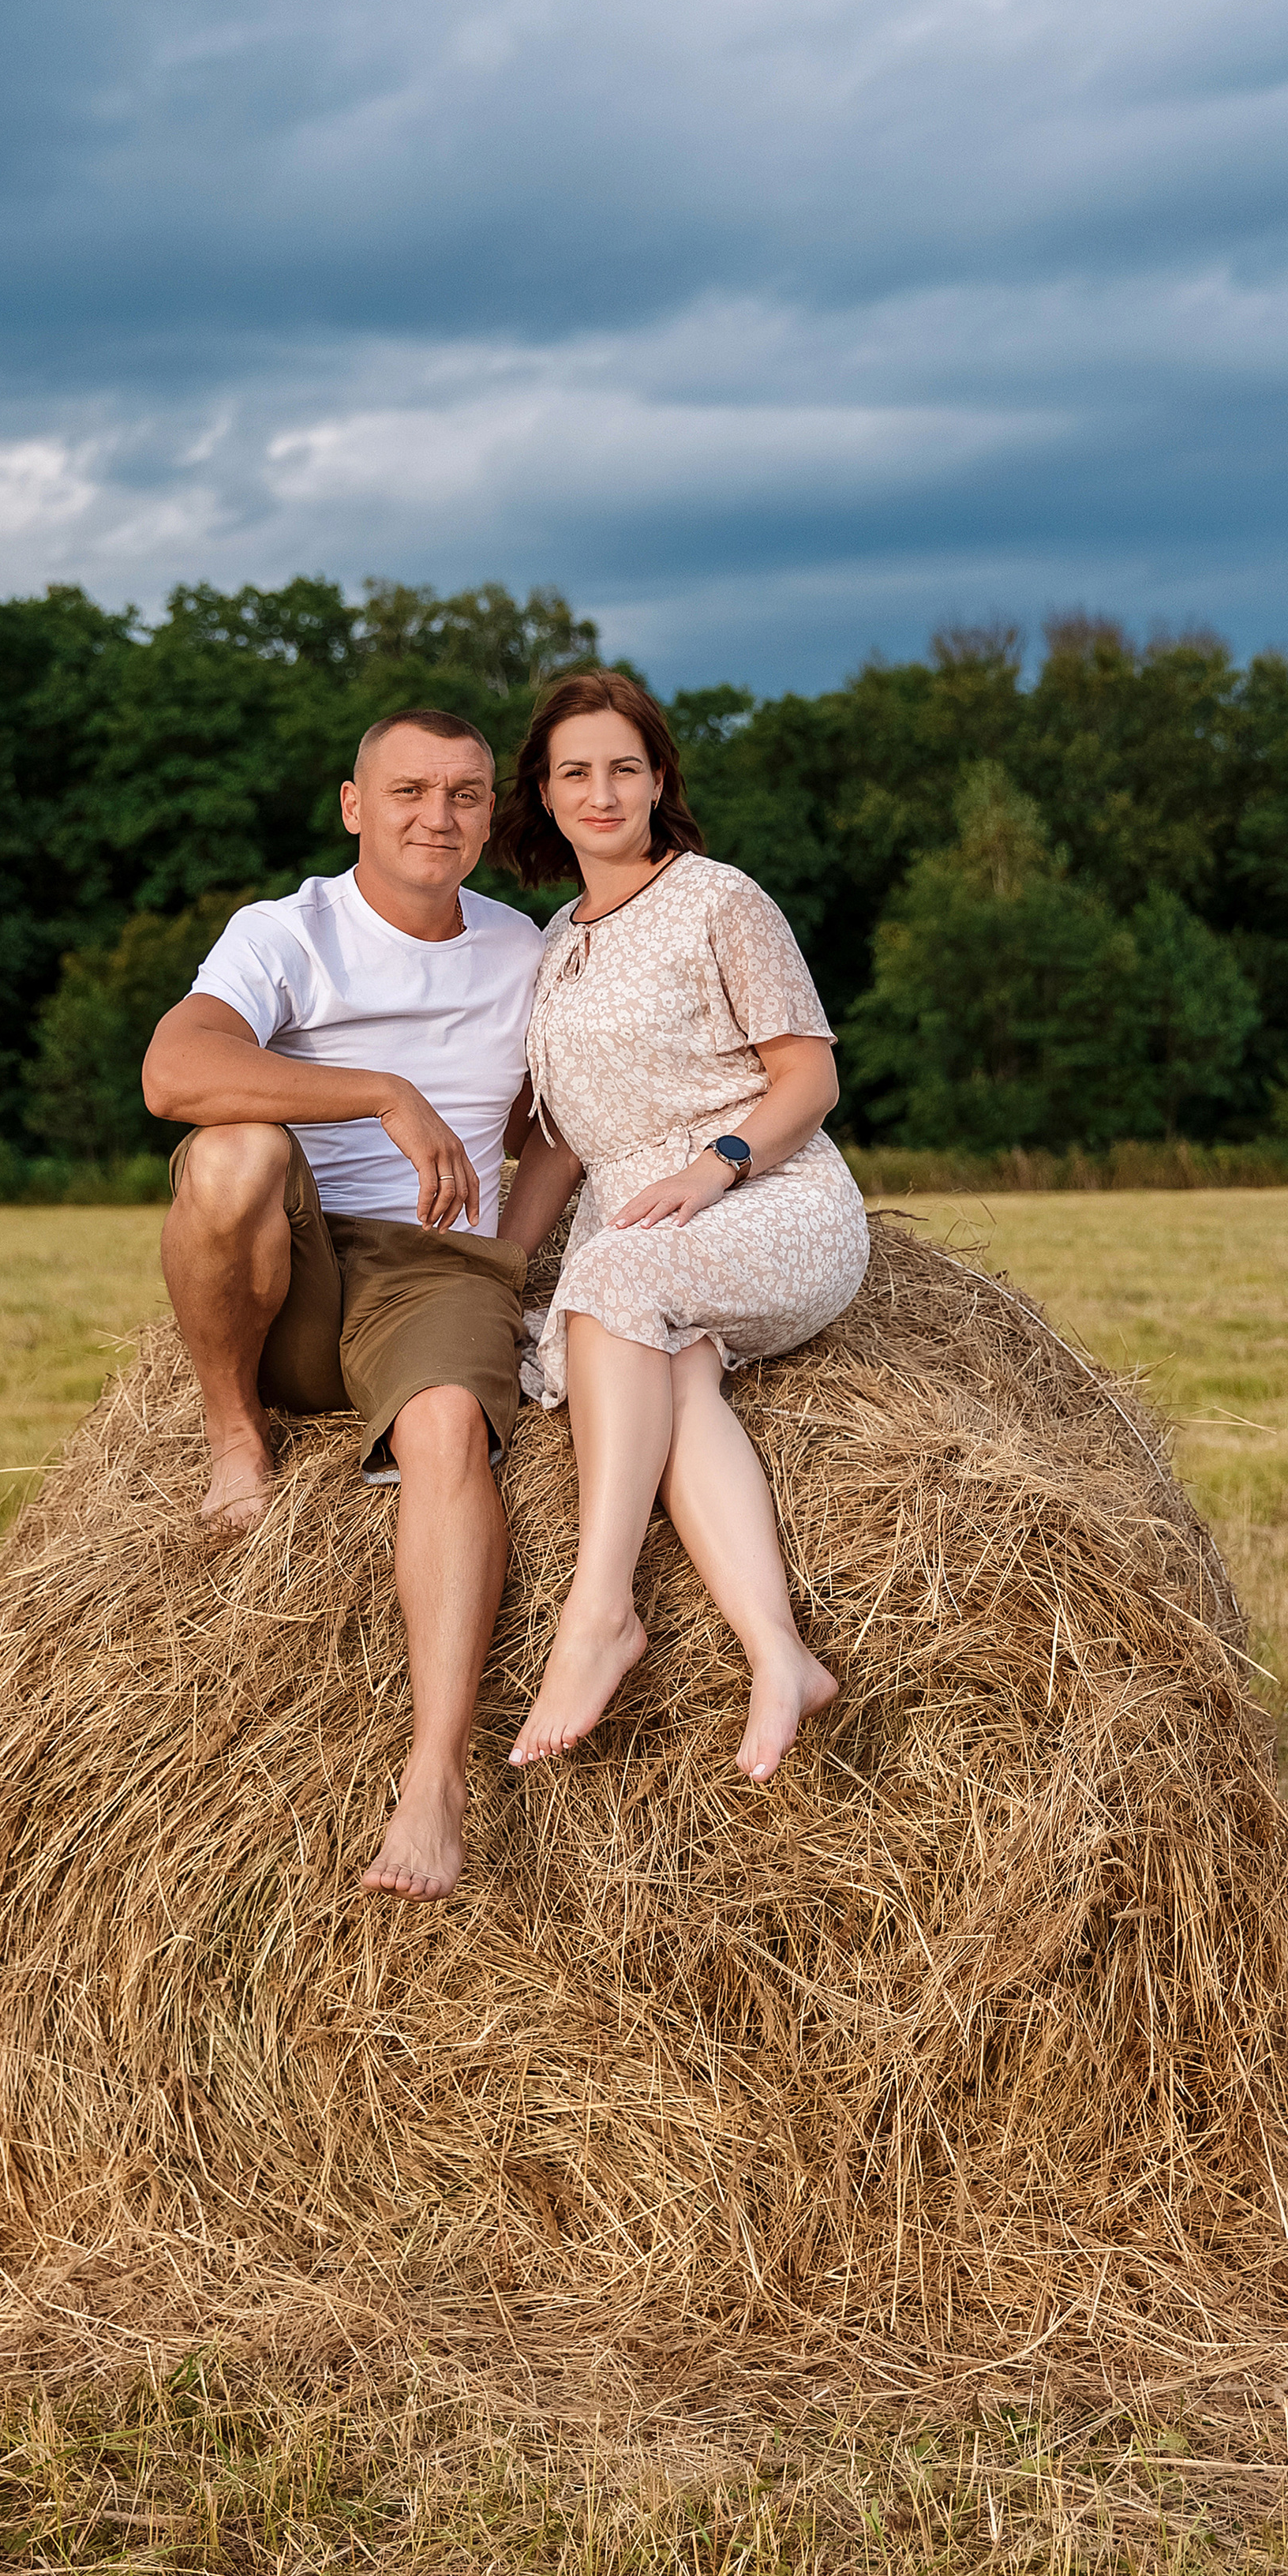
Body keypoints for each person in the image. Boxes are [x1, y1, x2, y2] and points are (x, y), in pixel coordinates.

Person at [140, 709, 544, 1902]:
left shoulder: (525, 948)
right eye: (411, 790)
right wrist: (382, 1093)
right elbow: (174, 1073)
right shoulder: (288, 934)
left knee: (445, 1437)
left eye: (467, 794)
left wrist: (511, 1255)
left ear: (490, 813)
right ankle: (232, 1435)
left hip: (438, 1268)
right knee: (233, 1154)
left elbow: (558, 1125)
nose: (441, 815)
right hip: (301, 1259)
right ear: (353, 805)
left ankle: (435, 1781)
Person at [492, 671, 871, 1785]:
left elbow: (809, 1077)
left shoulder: (719, 900)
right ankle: (779, 1653)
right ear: (547, 798)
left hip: (767, 1197)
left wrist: (718, 1169)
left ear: (659, 780)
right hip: (641, 1235)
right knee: (677, 1369)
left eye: (624, 767)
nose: (601, 792)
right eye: (576, 773)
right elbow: (560, 1140)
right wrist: (503, 1267)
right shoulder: (555, 939)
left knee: (618, 1282)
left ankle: (598, 1611)